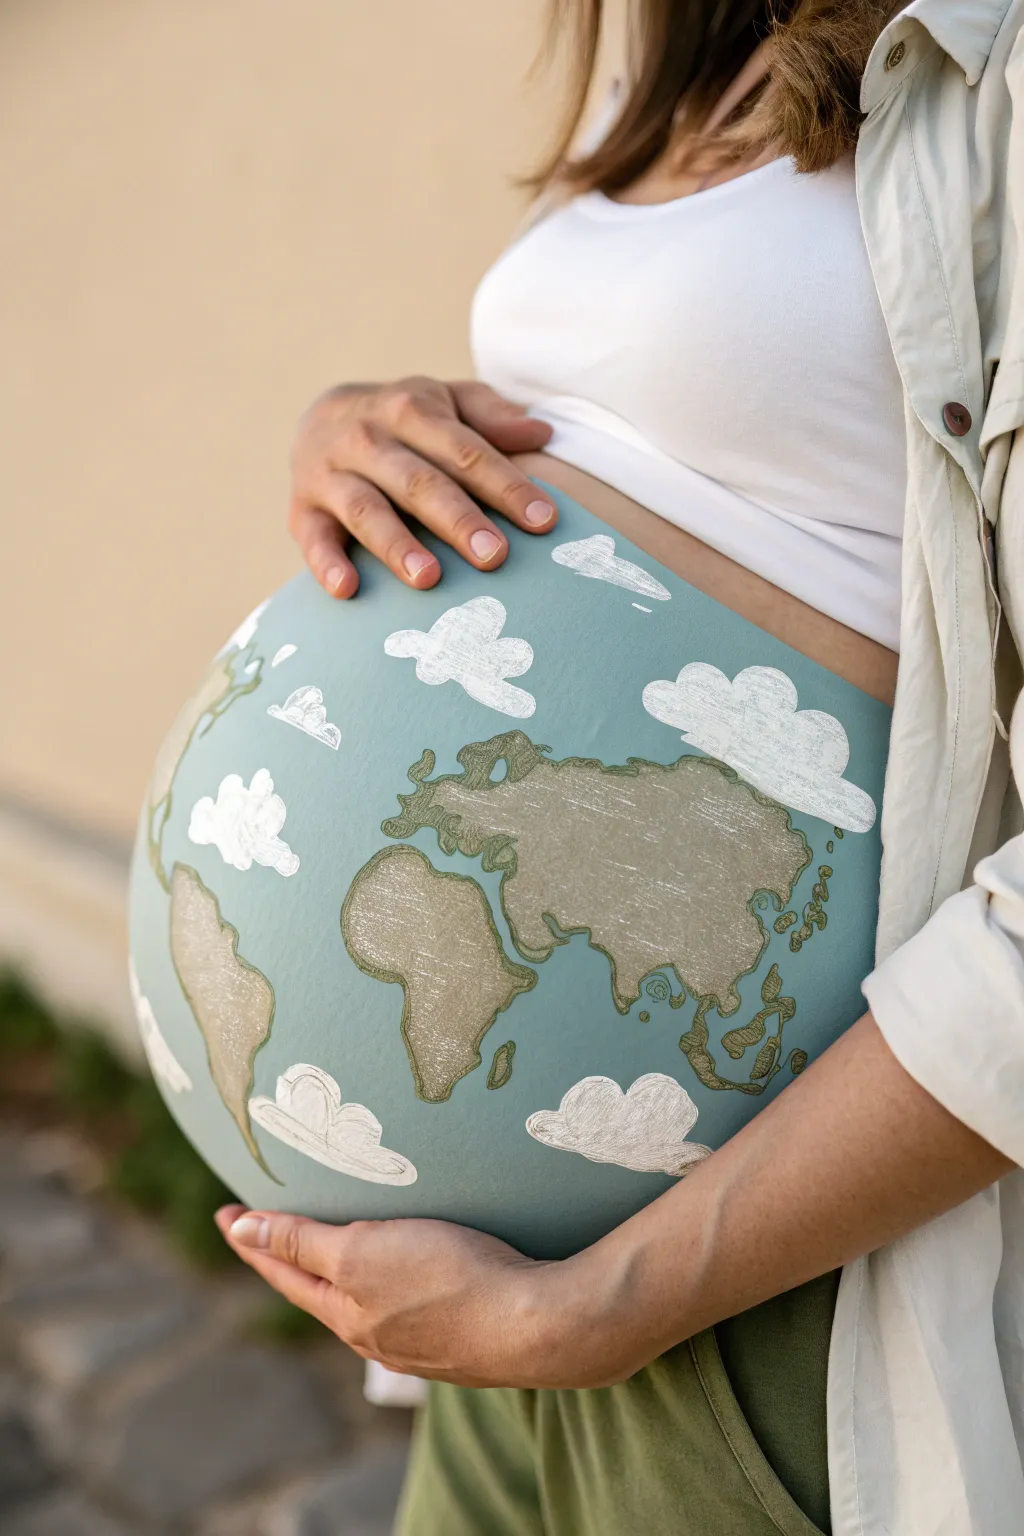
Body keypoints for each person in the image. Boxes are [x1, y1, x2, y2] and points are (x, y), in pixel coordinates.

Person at [215, 2, 1024, 1531]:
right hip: (489, 1290)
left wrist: (603, 1307)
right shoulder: (698, 55)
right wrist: (359, 438)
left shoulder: (994, 67)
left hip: (756, 1277)